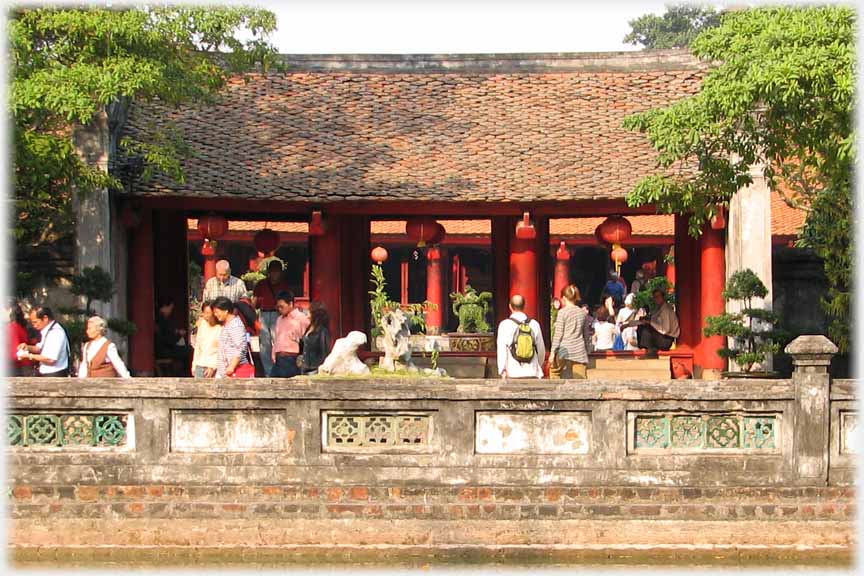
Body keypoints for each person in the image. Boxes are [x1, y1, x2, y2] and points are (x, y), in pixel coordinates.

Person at [252, 260, 292, 377]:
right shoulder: (261, 284)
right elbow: (254, 301)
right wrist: (253, 317)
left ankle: (280, 370)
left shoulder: (284, 285)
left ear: (280, 272)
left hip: (278, 315)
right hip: (264, 314)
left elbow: (289, 302)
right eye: (272, 272)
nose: (274, 274)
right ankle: (269, 373)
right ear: (268, 272)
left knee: (279, 342)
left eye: (277, 272)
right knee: (265, 346)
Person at [496, 294, 545, 379]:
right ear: (524, 306)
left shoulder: (504, 325)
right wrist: (538, 365)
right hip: (532, 370)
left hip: (513, 371)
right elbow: (541, 349)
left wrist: (502, 369)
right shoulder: (534, 324)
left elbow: (501, 350)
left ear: (510, 306)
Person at [549, 285, 591, 379]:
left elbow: (558, 334)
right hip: (579, 348)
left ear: (564, 298)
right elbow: (586, 334)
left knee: (554, 371)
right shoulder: (582, 313)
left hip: (564, 348)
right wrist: (588, 350)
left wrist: (552, 352)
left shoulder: (562, 313)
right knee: (580, 377)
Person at [17, 307, 71, 376]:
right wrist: (27, 347)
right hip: (46, 373)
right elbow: (40, 348)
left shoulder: (56, 333)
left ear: (45, 318)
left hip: (55, 374)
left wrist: (29, 356)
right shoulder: (47, 331)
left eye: (35, 322)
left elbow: (50, 359)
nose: (34, 326)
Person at [212, 296, 254, 378]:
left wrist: (231, 367)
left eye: (217, 312)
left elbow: (241, 347)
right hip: (226, 373)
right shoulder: (227, 325)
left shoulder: (235, 325)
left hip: (234, 372)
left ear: (226, 310)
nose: (215, 314)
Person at [271, 290, 310, 378]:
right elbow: (277, 338)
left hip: (291, 358)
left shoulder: (301, 318)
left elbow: (308, 337)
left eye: (282, 307)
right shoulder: (279, 319)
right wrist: (273, 353)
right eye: (278, 307)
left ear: (290, 304)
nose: (280, 309)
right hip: (278, 358)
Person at [638, 289, 680, 357]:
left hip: (666, 340)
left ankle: (650, 351)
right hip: (662, 336)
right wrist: (647, 319)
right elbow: (654, 318)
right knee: (642, 326)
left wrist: (650, 323)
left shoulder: (666, 309)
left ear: (663, 297)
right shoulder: (660, 308)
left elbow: (666, 330)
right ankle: (646, 349)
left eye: (658, 296)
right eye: (655, 297)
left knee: (646, 328)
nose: (656, 299)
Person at [155, 296, 189, 375]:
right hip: (163, 350)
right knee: (187, 350)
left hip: (163, 348)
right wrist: (178, 336)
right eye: (170, 308)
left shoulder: (160, 318)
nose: (170, 311)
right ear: (165, 307)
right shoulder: (161, 319)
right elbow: (168, 338)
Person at [191, 300, 222, 378]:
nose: (206, 316)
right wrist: (194, 364)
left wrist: (214, 366)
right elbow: (198, 346)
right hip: (200, 364)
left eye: (208, 313)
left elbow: (221, 351)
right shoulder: (202, 325)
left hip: (213, 367)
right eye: (204, 313)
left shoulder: (221, 328)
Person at [299, 302, 332, 375]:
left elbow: (325, 351)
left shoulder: (322, 331)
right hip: (305, 367)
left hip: (315, 368)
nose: (307, 312)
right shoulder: (309, 327)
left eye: (309, 311)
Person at [7, 301, 34, 376]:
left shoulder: (12, 327)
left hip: (19, 367)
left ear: (9, 310)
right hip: (24, 365)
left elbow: (14, 352)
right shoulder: (19, 326)